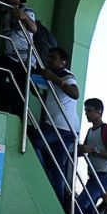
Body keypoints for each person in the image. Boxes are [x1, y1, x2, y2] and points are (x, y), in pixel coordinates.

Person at [29, 47, 79, 203]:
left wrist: (55, 78)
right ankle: (58, 201)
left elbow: (75, 93)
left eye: (53, 58)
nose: (49, 60)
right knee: (58, 167)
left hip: (59, 126)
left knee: (35, 141)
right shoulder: (52, 77)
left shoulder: (66, 75)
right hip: (69, 128)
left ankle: (42, 174)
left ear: (63, 62)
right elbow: (51, 100)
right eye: (49, 57)